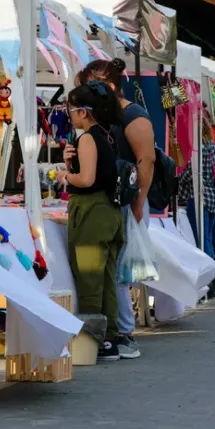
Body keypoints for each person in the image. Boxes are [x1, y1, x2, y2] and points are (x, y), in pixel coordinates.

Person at [73, 58, 155, 360]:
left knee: (117, 273)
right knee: (114, 272)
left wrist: (138, 203)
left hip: (123, 203)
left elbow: (146, 162)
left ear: (107, 85)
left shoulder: (133, 116)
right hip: (113, 201)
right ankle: (119, 332)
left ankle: (123, 333)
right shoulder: (107, 119)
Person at [56, 81, 125, 361]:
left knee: (89, 281)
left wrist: (64, 176)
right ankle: (110, 338)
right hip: (110, 212)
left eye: (71, 109)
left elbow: (86, 179)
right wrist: (70, 163)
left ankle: (91, 342)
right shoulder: (108, 135)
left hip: (91, 213)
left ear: (84, 112)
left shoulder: (87, 137)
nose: (69, 115)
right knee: (106, 278)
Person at [179, 114, 215, 297]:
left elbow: (191, 174)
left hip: (199, 197)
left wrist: (180, 179)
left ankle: (209, 283)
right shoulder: (213, 146)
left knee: (202, 241)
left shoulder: (196, 150)